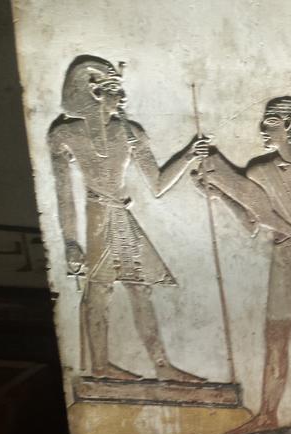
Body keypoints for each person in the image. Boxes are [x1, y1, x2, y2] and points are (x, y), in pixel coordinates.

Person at [49, 55, 209, 382]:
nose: (122, 97)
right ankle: (100, 366)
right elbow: (64, 196)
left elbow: (158, 183)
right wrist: (70, 242)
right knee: (100, 289)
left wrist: (189, 155)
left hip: (121, 215)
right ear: (96, 93)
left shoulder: (130, 132)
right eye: (114, 90)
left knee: (139, 289)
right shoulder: (65, 134)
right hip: (98, 215)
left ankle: (161, 365)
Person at [197, 96, 291, 434]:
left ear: (289, 125)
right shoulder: (258, 171)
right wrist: (221, 195)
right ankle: (268, 414)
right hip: (282, 259)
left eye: (269, 122)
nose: (261, 128)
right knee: (277, 336)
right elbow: (253, 222)